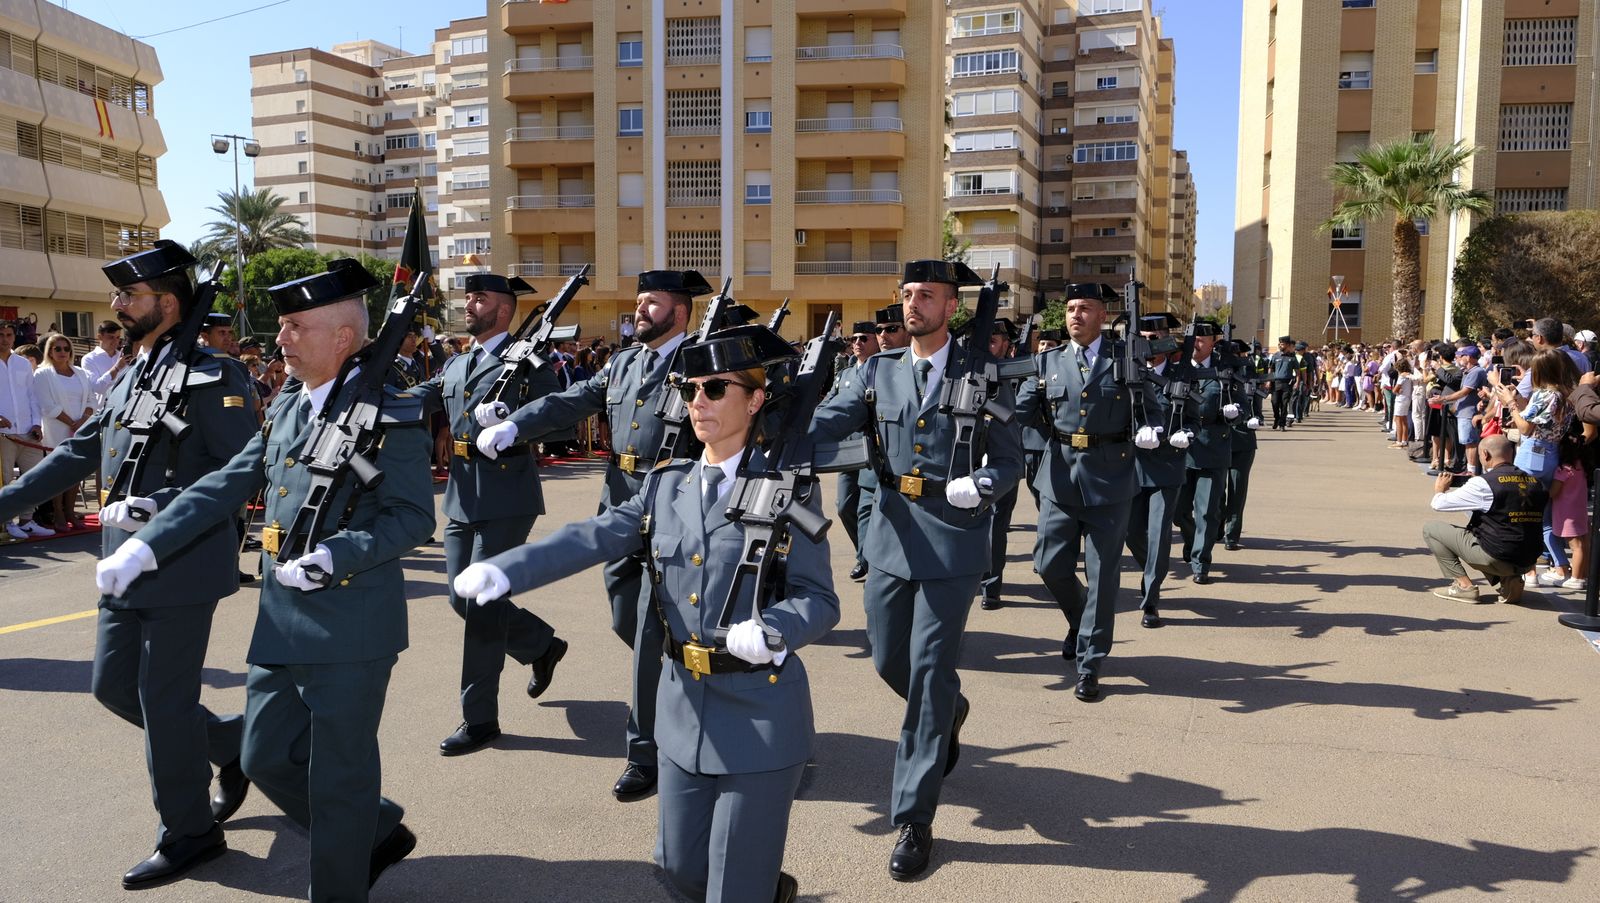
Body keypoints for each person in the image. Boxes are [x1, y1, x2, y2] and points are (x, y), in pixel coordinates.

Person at [97, 258, 433, 902]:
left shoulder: (392, 412)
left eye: (294, 326)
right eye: (281, 326)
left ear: (341, 336)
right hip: (280, 615)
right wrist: (147, 543)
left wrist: (339, 555)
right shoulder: (286, 408)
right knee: (262, 755)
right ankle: (377, 830)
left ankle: (341, 881)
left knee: (337, 777)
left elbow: (412, 517)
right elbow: (225, 483)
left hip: (350, 622)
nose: (279, 339)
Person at [457, 324, 830, 903]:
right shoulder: (666, 486)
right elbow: (593, 536)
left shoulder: (786, 490)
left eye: (715, 389)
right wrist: (510, 570)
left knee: (734, 885)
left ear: (754, 399)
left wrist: (778, 628)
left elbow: (819, 598)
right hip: (681, 709)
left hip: (761, 710)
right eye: (690, 390)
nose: (697, 403)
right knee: (678, 870)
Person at [0, 242, 256, 888]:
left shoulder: (215, 377)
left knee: (164, 700)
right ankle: (228, 743)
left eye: (129, 296)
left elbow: (239, 471)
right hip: (122, 563)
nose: (115, 305)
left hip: (182, 558)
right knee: (113, 685)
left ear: (167, 305)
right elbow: (76, 454)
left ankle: (190, 830)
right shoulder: (133, 376)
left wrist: (160, 504)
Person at [810, 259, 1023, 880]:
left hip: (955, 538)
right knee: (885, 656)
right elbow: (827, 425)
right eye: (906, 294)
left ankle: (914, 816)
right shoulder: (875, 372)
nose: (912, 304)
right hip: (893, 534)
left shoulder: (984, 373)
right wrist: (772, 426)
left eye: (926, 295)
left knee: (929, 672)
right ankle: (950, 710)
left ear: (951, 306)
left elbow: (1009, 459)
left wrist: (981, 482)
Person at [475, 269, 714, 803]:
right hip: (619, 503)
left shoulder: (702, 360)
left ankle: (645, 752)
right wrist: (517, 424)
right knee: (627, 619)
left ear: (679, 311)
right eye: (638, 300)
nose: (639, 309)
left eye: (651, 302)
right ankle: (690, 685)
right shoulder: (625, 362)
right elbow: (572, 400)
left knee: (650, 638)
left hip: (676, 508)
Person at [407, 273, 568, 756]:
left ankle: (479, 719)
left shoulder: (528, 361)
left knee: (480, 604)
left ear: (503, 308)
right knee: (461, 598)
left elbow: (558, 410)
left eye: (479, 297)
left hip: (505, 496)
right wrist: (374, 399)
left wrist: (513, 422)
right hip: (460, 494)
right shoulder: (459, 361)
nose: (469, 304)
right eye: (468, 296)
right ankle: (540, 645)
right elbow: (428, 395)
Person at [1016, 283, 1136, 699]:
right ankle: (1080, 616)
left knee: (1103, 578)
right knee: (1049, 564)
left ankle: (1090, 662)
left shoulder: (1126, 360)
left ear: (1103, 315)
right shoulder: (1046, 362)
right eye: (1069, 309)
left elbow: (1150, 408)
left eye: (1084, 308)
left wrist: (1155, 430)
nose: (1075, 316)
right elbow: (1020, 411)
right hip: (1059, 476)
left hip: (1111, 480)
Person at [1125, 313, 1195, 629]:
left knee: (1158, 535)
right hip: (1131, 466)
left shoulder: (1182, 374)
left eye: (1157, 337)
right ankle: (1153, 568)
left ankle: (1150, 599)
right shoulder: (1126, 372)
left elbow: (1194, 416)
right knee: (1131, 532)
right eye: (1145, 337)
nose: (1151, 343)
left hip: (1167, 466)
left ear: (1167, 341)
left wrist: (1186, 434)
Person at [1423, 435, 1547, 603]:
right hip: (1528, 559)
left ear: (1485, 454)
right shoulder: (1536, 483)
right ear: (1512, 454)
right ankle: (1510, 580)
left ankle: (1464, 587)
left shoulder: (1484, 483)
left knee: (1432, 529)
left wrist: (1440, 489)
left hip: (1497, 555)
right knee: (1501, 529)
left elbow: (1439, 504)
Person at [1172, 321, 1237, 584]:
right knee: (1178, 512)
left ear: (1213, 342)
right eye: (1192, 337)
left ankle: (1201, 562)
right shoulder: (1178, 370)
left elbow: (1240, 406)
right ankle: (1191, 540)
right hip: (1180, 450)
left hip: (1212, 448)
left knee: (1208, 512)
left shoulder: (1225, 372)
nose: (1196, 342)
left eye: (1202, 338)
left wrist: (1235, 414)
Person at [832, 321, 880, 582]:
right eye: (854, 338)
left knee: (868, 509)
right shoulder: (846, 375)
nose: (857, 343)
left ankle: (865, 559)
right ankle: (864, 552)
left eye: (864, 338)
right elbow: (831, 402)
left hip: (873, 448)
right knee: (844, 506)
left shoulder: (883, 371)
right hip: (848, 449)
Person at [32, 332, 95, 528]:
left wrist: (82, 420)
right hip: (57, 427)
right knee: (58, 473)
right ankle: (57, 512)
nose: (62, 352)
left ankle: (70, 511)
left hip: (80, 427)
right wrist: (71, 422)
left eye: (66, 348)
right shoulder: (42, 373)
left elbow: (91, 400)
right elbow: (47, 405)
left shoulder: (80, 372)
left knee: (76, 472)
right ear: (49, 351)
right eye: (57, 348)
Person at [980, 317, 1021, 609]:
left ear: (1006, 346)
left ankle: (991, 586)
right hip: (968, 456)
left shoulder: (1011, 375)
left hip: (1002, 459)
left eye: (992, 341)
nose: (985, 348)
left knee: (996, 523)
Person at [0, 320, 51, 539]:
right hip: (4, 435)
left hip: (28, 432)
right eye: (0, 334)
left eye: (9, 335)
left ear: (14, 337)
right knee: (4, 479)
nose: (4, 339)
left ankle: (27, 520)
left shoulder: (22, 363)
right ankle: (6, 523)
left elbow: (32, 396)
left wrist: (36, 423)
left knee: (33, 478)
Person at [1220, 342, 1263, 551]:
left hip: (1243, 441)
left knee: (1237, 489)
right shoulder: (1212, 376)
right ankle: (1216, 524)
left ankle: (1232, 533)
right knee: (1216, 490)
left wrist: (1255, 420)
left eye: (1237, 354)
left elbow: (1257, 409)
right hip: (1217, 442)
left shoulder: (1248, 377)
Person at [81, 319, 128, 408]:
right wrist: (116, 368)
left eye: (118, 337)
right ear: (99, 337)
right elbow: (97, 388)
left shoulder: (123, 357)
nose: (115, 341)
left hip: (122, 407)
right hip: (102, 410)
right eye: (111, 337)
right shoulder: (89, 359)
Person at [1267, 336, 1297, 430]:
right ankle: (1277, 418)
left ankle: (1282, 424)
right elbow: (1271, 368)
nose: (1281, 345)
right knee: (1275, 402)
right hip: (1276, 382)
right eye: (1280, 344)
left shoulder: (1292, 357)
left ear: (1288, 345)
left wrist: (1296, 382)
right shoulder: (1275, 355)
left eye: (1283, 344)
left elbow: (1298, 371)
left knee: (1284, 404)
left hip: (1287, 383)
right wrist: (1269, 380)